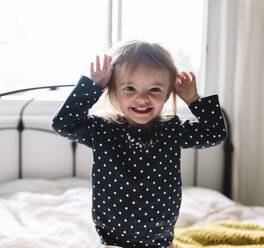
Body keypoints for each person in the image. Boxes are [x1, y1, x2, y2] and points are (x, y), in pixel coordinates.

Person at [51, 40, 227, 248]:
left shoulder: (172, 129)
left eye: (154, 89)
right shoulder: (104, 129)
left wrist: (193, 99)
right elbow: (63, 123)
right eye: (130, 88)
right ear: (114, 91)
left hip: (160, 239)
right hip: (114, 240)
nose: (141, 98)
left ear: (168, 93)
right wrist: (93, 86)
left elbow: (214, 133)